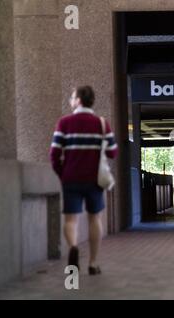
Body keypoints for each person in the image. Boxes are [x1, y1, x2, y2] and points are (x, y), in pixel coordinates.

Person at [50, 86, 118, 275]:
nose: (70, 101)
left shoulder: (64, 123)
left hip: (70, 178)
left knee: (70, 220)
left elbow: (54, 154)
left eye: (72, 98)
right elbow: (113, 151)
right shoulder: (102, 124)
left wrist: (62, 174)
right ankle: (93, 263)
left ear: (78, 100)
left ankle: (73, 247)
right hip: (94, 180)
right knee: (94, 218)